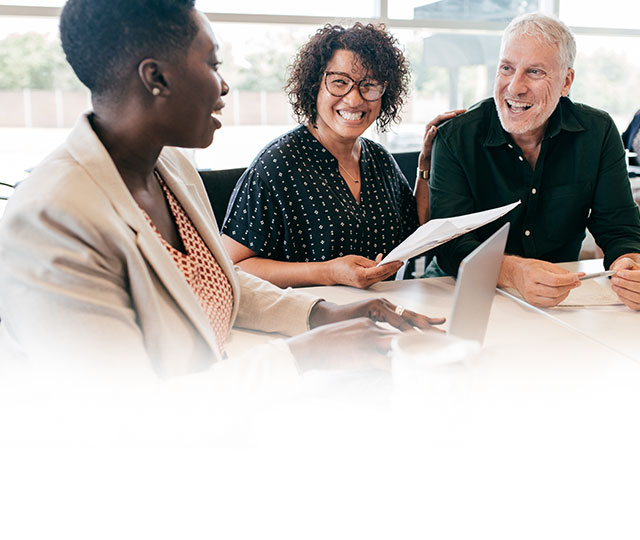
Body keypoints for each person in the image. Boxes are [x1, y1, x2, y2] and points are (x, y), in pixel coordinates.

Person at [0, 0, 446, 381]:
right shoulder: (50, 217)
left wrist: (324, 314)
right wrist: (304, 354)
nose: (225, 85)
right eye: (213, 64)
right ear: (156, 77)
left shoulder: (169, 167)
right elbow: (127, 415)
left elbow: (219, 282)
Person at [221, 23, 463, 289]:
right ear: (314, 86)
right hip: (307, 319)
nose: (355, 99)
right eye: (340, 82)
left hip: (379, 313)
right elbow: (233, 266)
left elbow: (415, 229)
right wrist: (327, 272)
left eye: (369, 85)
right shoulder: (277, 165)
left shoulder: (378, 159)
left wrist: (426, 165)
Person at [428, 12, 640, 310]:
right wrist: (513, 272)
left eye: (535, 72)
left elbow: (619, 228)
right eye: (506, 68)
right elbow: (450, 245)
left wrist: (629, 265)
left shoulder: (598, 132)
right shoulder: (455, 137)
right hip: (457, 292)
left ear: (566, 82)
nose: (515, 87)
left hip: (557, 300)